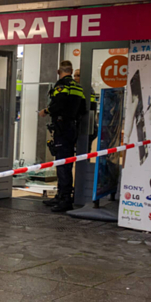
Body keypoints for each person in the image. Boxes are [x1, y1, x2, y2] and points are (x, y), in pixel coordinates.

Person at [39, 60, 87, 212]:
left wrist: (45, 111)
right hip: (71, 127)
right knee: (66, 162)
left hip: (62, 127)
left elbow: (58, 104)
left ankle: (65, 199)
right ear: (72, 71)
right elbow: (83, 109)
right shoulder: (78, 87)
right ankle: (62, 195)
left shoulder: (61, 86)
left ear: (59, 71)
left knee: (62, 164)